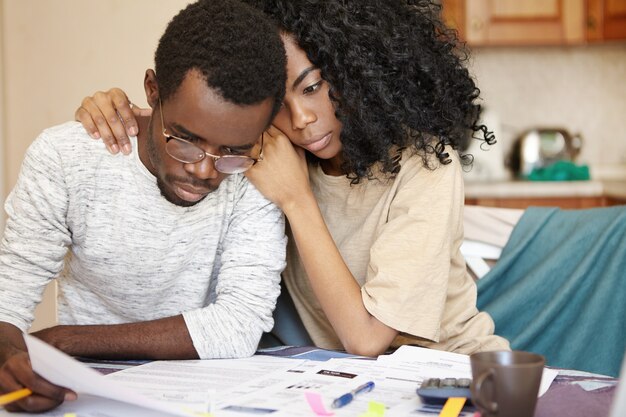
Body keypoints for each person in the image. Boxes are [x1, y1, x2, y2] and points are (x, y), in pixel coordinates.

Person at [75, 0, 509, 358]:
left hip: (457, 373)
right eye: (276, 103)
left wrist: (297, 199)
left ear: (357, 70)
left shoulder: (423, 165)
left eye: (313, 87)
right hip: (336, 379)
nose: (301, 120)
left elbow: (368, 339)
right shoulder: (265, 149)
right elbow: (192, 129)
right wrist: (117, 110)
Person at [0, 0, 287, 412]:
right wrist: (11, 359)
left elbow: (240, 324)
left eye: (233, 151)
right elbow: (7, 301)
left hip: (206, 398)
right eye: (185, 140)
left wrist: (65, 340)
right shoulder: (65, 158)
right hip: (83, 393)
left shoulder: (254, 176)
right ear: (152, 91)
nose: (206, 171)